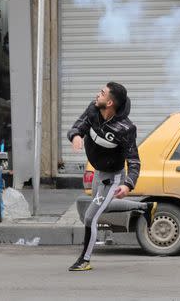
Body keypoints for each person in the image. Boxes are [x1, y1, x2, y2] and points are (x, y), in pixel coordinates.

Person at [66, 82, 157, 272]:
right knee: (102, 206)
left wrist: (127, 185)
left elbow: (134, 161)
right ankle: (144, 207)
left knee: (91, 217)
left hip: (113, 177)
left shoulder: (126, 129)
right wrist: (75, 136)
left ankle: (85, 260)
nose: (97, 95)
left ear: (109, 103)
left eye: (102, 93)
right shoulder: (93, 109)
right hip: (98, 171)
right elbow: (79, 125)